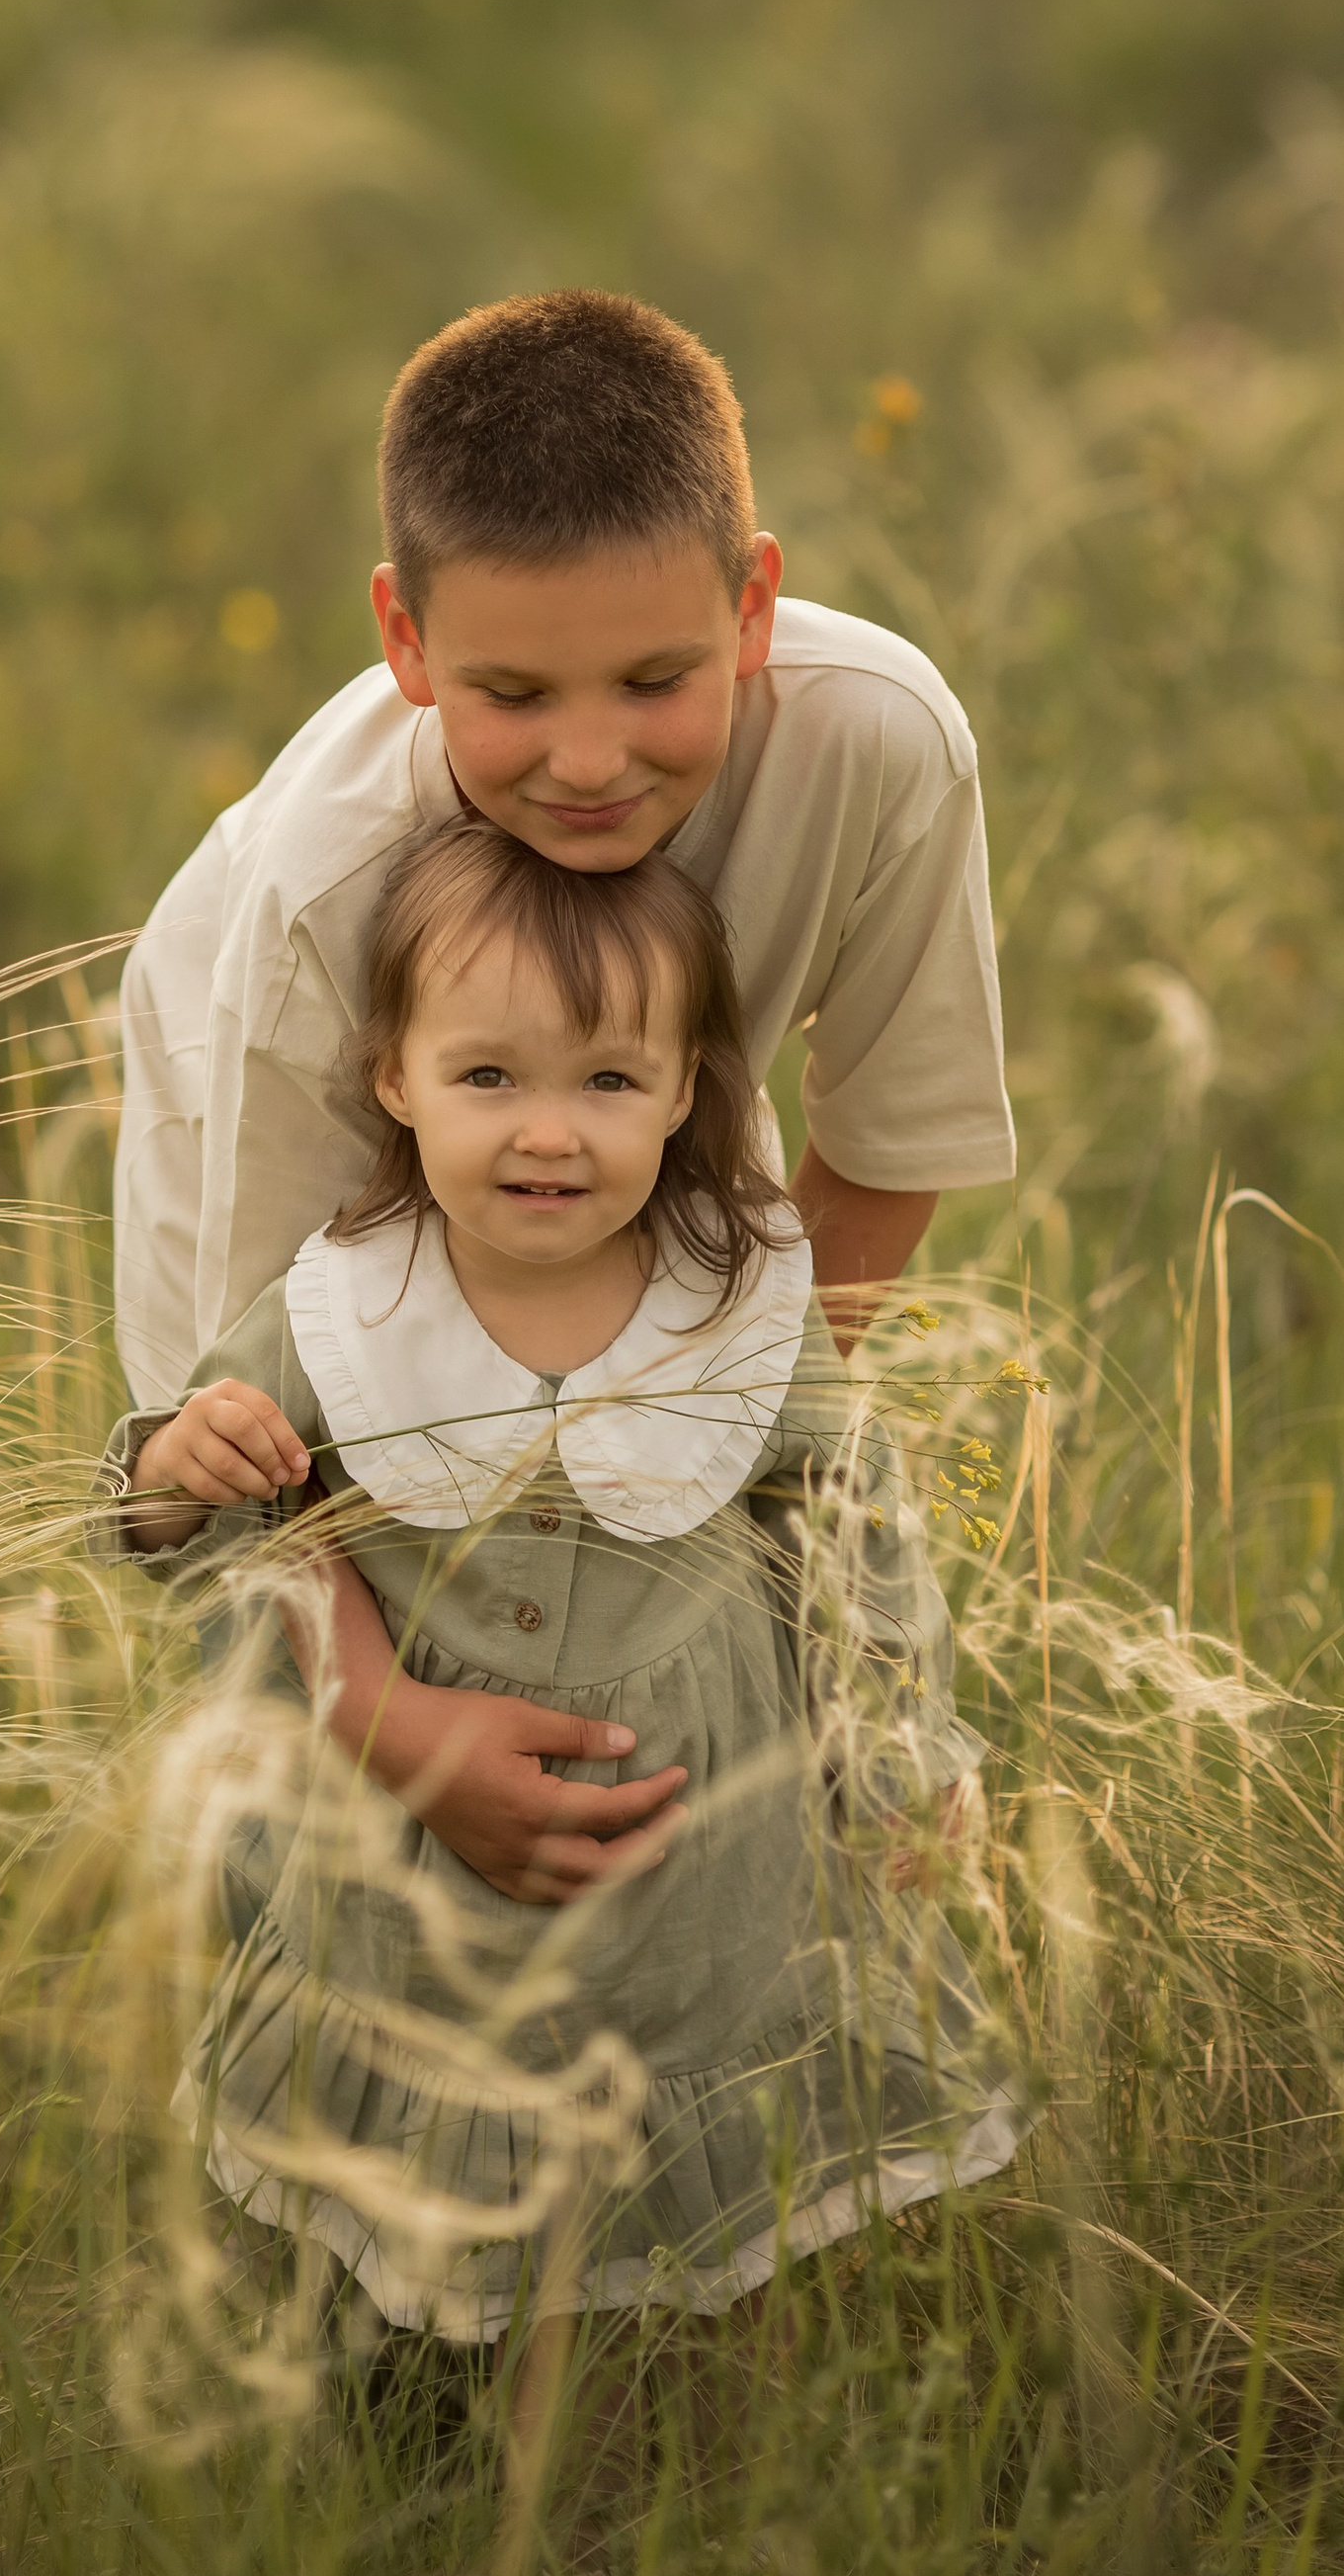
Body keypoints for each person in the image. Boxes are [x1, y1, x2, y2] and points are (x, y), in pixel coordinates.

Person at [106, 288, 1015, 1902]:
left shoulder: (879, 747)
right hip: (288, 1174)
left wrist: (741, 1493)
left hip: (628, 1133)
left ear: (754, 605)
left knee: (724, 1754)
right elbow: (244, 1431)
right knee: (332, 1814)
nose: (589, 761)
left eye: (656, 680)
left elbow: (875, 1167)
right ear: (405, 642)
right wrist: (394, 1724)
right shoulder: (323, 898)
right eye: (513, 697)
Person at [115, 812, 1025, 2346]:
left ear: (684, 1094)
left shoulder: (738, 1301)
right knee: (432, 2156)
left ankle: (664, 2438)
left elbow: (854, 1528)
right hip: (418, 1881)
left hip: (708, 1874)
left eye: (609, 1080)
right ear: (395, 1080)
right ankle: (413, 2405)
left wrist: (901, 1759)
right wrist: (176, 1465)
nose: (550, 1131)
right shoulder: (336, 1307)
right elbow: (196, 1536)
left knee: (692, 2213)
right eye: (489, 1078)